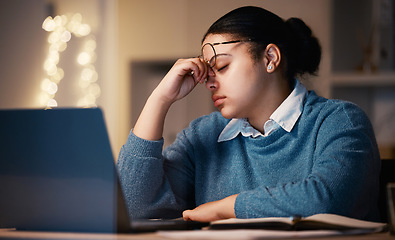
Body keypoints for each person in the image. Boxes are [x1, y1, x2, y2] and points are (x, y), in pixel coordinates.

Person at [117, 6, 381, 222]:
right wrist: (159, 99)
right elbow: (133, 205)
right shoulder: (204, 135)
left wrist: (226, 207)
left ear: (270, 58)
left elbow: (328, 199)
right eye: (208, 72)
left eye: (221, 66)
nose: (209, 82)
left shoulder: (339, 121)